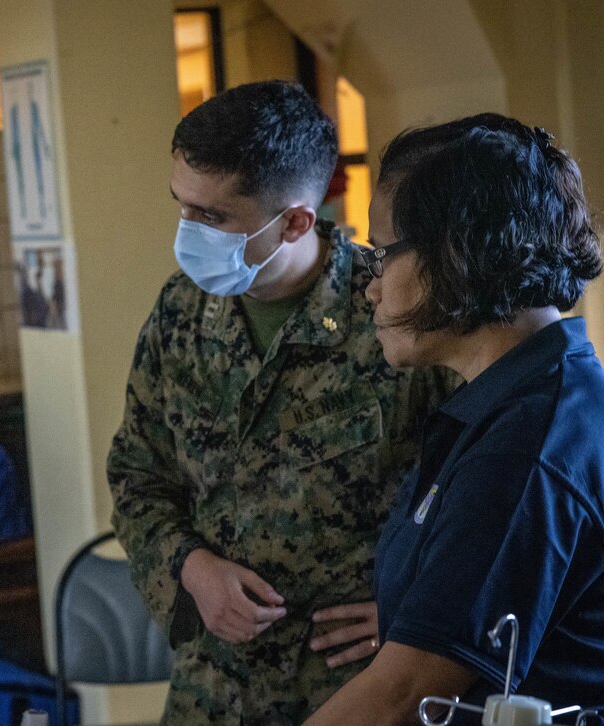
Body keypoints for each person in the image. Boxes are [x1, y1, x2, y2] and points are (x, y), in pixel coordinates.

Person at [106, 80, 452, 723]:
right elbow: (136, 476)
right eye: (180, 205)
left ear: (294, 220)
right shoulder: (181, 314)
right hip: (212, 689)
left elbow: (480, 491)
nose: (186, 232)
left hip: (360, 688)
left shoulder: (394, 312)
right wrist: (191, 567)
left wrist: (419, 619)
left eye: (211, 217)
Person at [306, 115, 604, 725]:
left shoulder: (531, 441)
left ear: (456, 252)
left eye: (383, 254)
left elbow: (402, 694)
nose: (371, 288)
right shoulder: (514, 401)